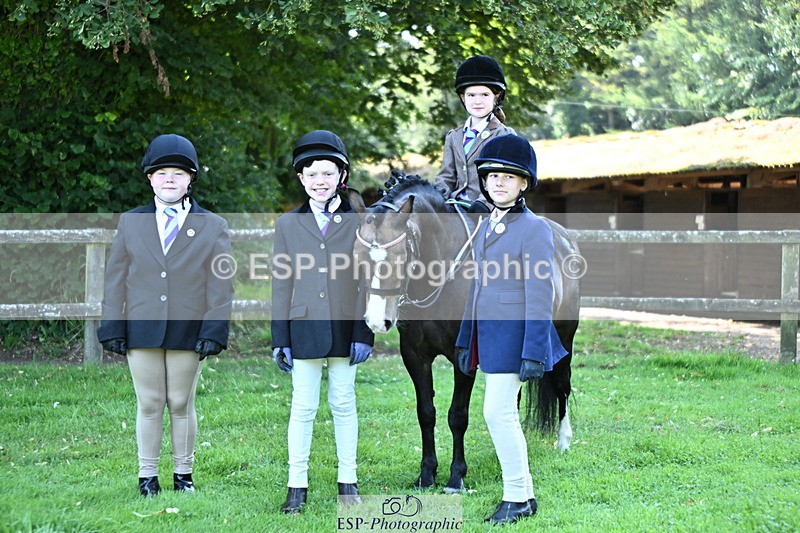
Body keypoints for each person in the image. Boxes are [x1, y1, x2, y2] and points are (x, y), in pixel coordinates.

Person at [97, 133, 234, 497]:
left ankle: (183, 474)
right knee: (150, 401)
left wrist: (214, 329)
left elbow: (221, 284)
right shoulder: (131, 221)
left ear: (190, 178)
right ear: (149, 179)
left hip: (189, 328)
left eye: (177, 173)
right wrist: (112, 323)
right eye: (161, 173)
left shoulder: (213, 225)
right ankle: (147, 477)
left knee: (180, 400)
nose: (169, 179)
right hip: (142, 325)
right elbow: (115, 278)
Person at [454, 134, 568, 525]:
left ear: (523, 184)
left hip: (516, 336)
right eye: (492, 176)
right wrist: (465, 338)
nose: (498, 183)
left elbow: (541, 292)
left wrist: (535, 350)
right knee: (498, 413)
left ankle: (519, 496)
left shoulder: (533, 229)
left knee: (498, 413)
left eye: (508, 177)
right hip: (489, 335)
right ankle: (522, 496)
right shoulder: (488, 224)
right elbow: (477, 288)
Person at [271, 130, 375, 514]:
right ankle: (296, 486)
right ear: (301, 178)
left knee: (344, 403)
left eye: (328, 174)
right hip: (303, 328)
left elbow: (367, 279)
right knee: (303, 407)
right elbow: (281, 284)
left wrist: (364, 332)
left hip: (347, 328)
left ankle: (348, 482)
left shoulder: (357, 222)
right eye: (312, 174)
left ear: (341, 177)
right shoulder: (287, 225)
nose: (320, 181)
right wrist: (279, 337)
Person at [434, 55, 515, 212]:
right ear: (463, 98)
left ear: (496, 97)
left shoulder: (503, 135)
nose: (477, 101)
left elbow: (503, 178)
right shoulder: (454, 136)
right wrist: (435, 197)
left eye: (484, 95)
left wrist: (484, 203)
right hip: (455, 206)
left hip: (487, 208)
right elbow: (447, 176)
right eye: (471, 95)